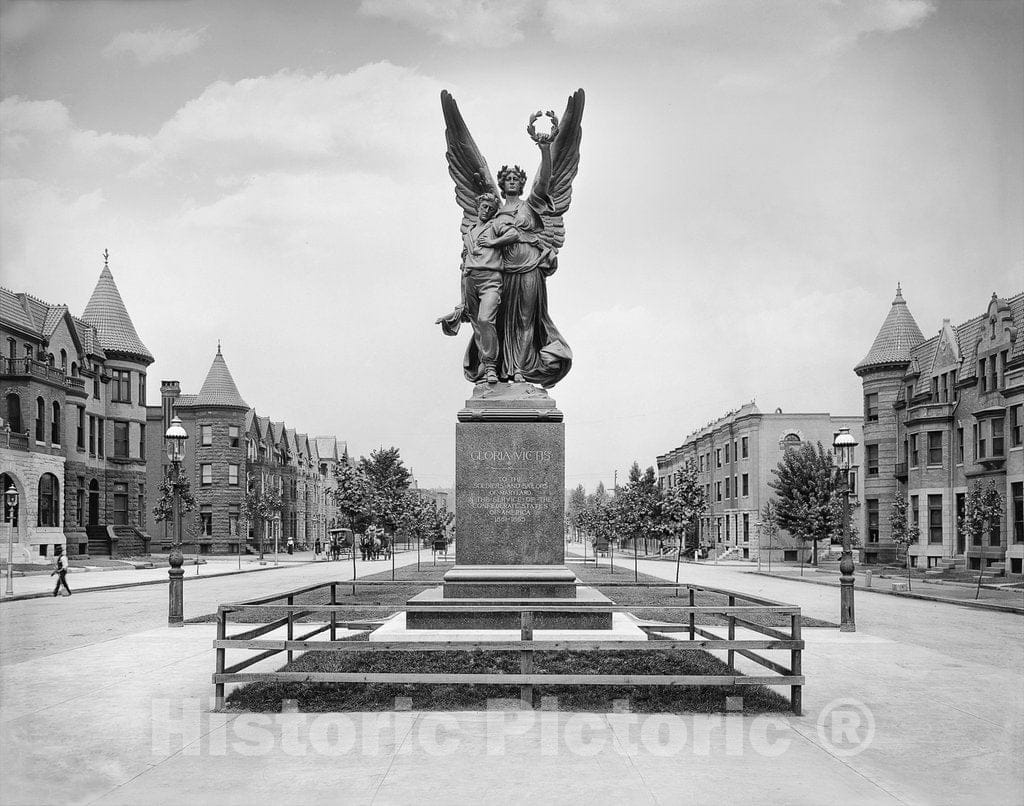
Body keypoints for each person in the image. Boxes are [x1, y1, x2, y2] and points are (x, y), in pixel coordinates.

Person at [436, 192, 520, 384]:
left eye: (491, 208)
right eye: (484, 207)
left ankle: (491, 366)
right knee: (477, 326)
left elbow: (514, 234)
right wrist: (462, 302)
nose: (487, 211)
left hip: (490, 279)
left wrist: (493, 242)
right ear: (478, 207)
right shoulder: (469, 232)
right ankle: (485, 367)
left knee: (485, 320)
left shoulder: (495, 225)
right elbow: (463, 266)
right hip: (470, 281)